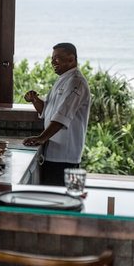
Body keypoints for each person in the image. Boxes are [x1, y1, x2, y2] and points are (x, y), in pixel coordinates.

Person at [22, 43, 91, 186]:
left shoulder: (76, 82)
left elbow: (62, 116)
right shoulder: (63, 80)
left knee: (60, 196)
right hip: (52, 153)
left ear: (71, 59)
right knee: (49, 195)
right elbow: (47, 110)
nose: (52, 62)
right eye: (52, 58)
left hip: (65, 156)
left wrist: (41, 138)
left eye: (57, 58)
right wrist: (35, 100)